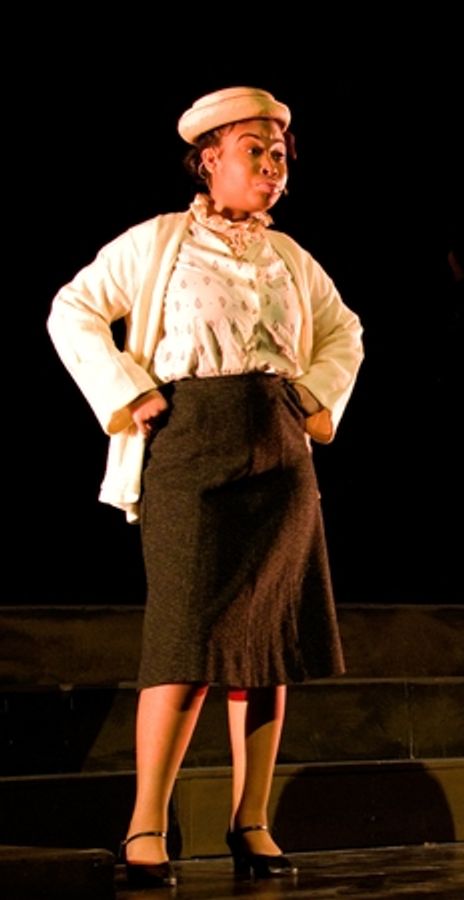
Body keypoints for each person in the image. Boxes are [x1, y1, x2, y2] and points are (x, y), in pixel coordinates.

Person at [47, 87, 364, 887]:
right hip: (189, 446)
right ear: (209, 159)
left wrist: (309, 397)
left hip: (279, 452)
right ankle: (145, 827)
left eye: (280, 156)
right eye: (254, 153)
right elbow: (74, 308)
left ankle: (250, 821)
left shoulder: (289, 256)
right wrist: (128, 388)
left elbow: (344, 332)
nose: (271, 167)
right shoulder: (159, 243)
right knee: (184, 641)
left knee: (267, 651)